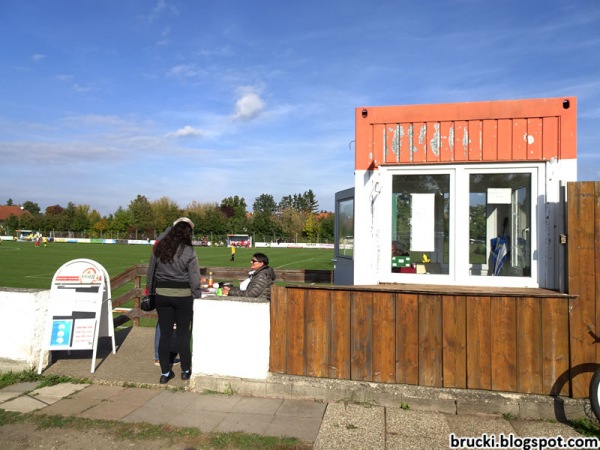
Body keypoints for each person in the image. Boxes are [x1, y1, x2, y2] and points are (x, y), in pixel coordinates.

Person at [146, 217, 201, 384]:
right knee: (184, 335)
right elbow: (194, 277)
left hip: (162, 295)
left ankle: (164, 372)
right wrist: (196, 295)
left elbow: (151, 272)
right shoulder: (189, 251)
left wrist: (150, 292)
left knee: (165, 334)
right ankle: (185, 370)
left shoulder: (160, 248)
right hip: (183, 296)